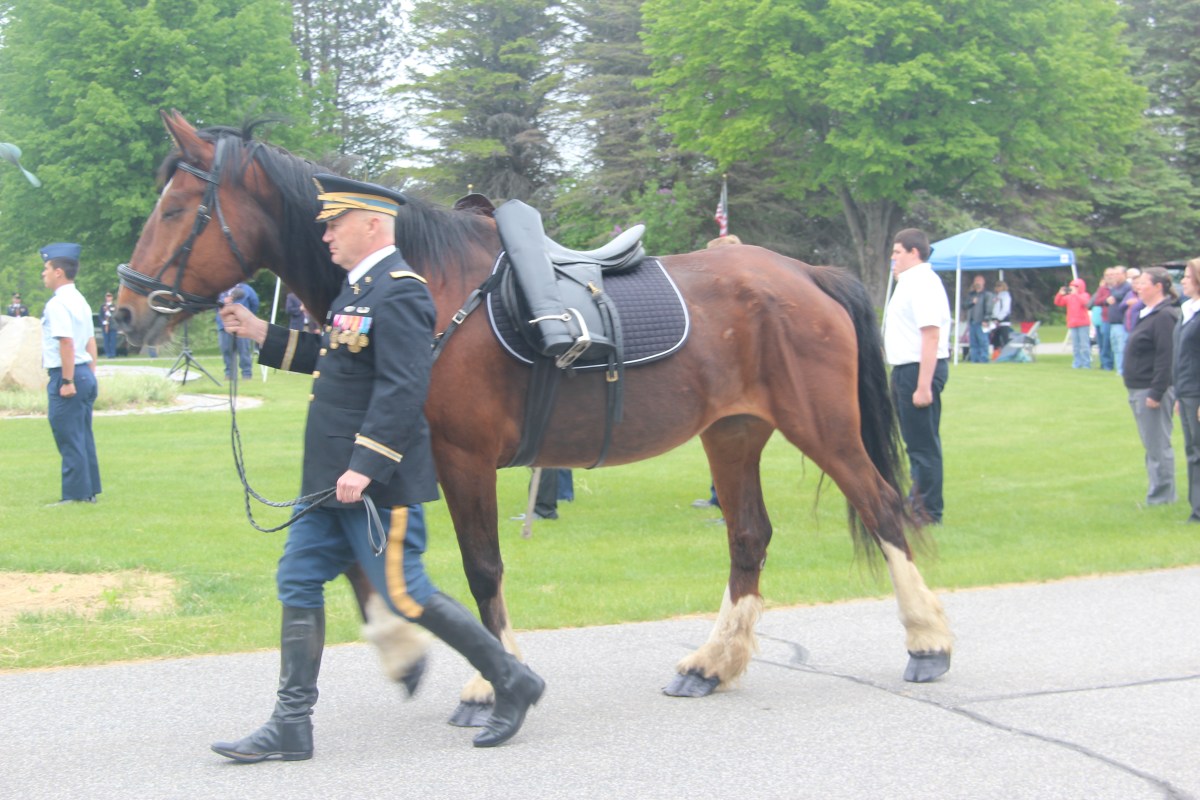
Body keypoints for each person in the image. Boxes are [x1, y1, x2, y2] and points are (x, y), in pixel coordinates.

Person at [212, 174, 544, 763]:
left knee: (405, 592)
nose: (326, 236)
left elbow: (403, 387)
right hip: (327, 483)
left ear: (372, 224)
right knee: (297, 581)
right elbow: (337, 362)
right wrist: (261, 332)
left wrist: (365, 465)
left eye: (335, 224)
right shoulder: (357, 291)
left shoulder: (401, 291)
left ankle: (511, 677)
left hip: (370, 485)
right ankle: (291, 723)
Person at [884, 228, 951, 524]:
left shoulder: (923, 282)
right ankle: (916, 501)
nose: (893, 257)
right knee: (913, 442)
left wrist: (923, 386)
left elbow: (931, 335)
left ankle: (928, 511)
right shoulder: (908, 282)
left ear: (914, 252)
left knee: (923, 444)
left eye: (898, 252)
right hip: (904, 369)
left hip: (919, 369)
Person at [39, 242, 101, 505]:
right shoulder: (81, 300)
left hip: (68, 374)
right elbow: (90, 341)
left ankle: (75, 495)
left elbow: (66, 342)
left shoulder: (58, 304)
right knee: (83, 435)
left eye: (46, 268)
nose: (43, 274)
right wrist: (90, 373)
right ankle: (88, 490)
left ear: (58, 272)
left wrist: (67, 380)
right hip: (84, 371)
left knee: (68, 435)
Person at [1123, 267, 1180, 507]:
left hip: (1151, 388)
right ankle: (1158, 493)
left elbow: (1166, 357)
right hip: (1139, 387)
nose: (1138, 286)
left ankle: (1162, 498)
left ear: (1158, 286)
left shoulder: (1165, 316)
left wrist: (1157, 391)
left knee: (1158, 445)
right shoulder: (1148, 313)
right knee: (1151, 444)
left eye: (1143, 282)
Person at [1173, 258, 1200, 522]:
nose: (1182, 280)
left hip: (1198, 391)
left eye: (1187, 276)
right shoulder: (1187, 310)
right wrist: (1179, 393)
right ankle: (1197, 508)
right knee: (1193, 449)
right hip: (1187, 389)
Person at [216, 281, 260, 379]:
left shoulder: (246, 289)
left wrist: (247, 318)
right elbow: (215, 305)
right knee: (226, 350)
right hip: (224, 326)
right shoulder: (220, 290)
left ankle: (246, 374)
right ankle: (229, 373)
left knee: (244, 350)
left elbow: (255, 303)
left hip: (242, 326)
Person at [1054, 278, 1092, 369]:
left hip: (1083, 323)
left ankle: (1086, 363)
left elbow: (1086, 303)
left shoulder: (1085, 295)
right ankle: (1077, 363)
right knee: (1075, 345)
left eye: (1075, 287)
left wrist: (1076, 295)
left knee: (1084, 345)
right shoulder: (1069, 297)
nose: (1073, 288)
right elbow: (1058, 302)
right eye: (1072, 287)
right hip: (1072, 323)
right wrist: (1060, 294)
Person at [1107, 266, 1133, 375]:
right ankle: (1119, 369)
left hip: (1121, 322)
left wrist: (1114, 297)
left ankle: (1123, 369)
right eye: (1114, 274)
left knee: (1121, 347)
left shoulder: (1127, 287)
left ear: (1124, 275)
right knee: (1115, 347)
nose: (1115, 276)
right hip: (1113, 322)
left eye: (1118, 274)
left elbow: (1122, 296)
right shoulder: (1115, 287)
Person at [964, 274, 993, 363]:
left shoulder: (987, 295)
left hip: (982, 322)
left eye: (980, 280)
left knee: (983, 342)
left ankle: (984, 359)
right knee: (973, 343)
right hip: (972, 322)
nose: (978, 282)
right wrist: (972, 303)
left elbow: (989, 308)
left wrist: (986, 319)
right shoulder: (971, 295)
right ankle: (974, 359)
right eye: (976, 280)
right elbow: (964, 305)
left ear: (983, 282)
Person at [1090, 271, 1114, 371]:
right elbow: (1095, 301)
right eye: (1106, 276)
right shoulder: (1102, 289)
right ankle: (1106, 364)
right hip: (1105, 318)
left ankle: (1111, 363)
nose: (1108, 277)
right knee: (1104, 342)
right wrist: (1106, 299)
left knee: (1112, 342)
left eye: (1111, 275)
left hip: (1116, 318)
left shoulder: (1119, 288)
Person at [989, 280, 1012, 354]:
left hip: (1004, 321)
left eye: (1000, 286)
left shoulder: (1006, 296)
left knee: (1004, 339)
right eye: (997, 286)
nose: (997, 288)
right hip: (995, 321)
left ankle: (1006, 355)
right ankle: (996, 354)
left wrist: (999, 319)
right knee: (995, 339)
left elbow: (1005, 309)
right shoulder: (996, 296)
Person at [99, 291, 118, 358]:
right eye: (107, 296)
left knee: (113, 341)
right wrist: (103, 322)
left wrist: (111, 315)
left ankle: (113, 354)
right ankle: (108, 354)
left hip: (113, 326)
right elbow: (100, 316)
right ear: (106, 297)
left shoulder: (115, 306)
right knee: (106, 341)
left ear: (112, 297)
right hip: (105, 327)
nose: (108, 298)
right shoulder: (103, 306)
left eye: (110, 296)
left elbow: (116, 315)